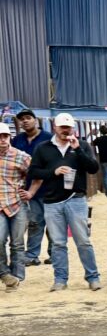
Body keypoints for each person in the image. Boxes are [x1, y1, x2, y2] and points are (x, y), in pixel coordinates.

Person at [27, 113, 102, 292]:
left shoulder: (82, 145)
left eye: (68, 127)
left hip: (76, 199)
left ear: (73, 128)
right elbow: (33, 172)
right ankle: (60, 279)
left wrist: (78, 150)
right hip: (52, 202)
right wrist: (53, 172)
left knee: (83, 241)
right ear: (55, 127)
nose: (65, 131)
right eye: (62, 127)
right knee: (58, 243)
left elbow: (93, 168)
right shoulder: (43, 148)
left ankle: (93, 277)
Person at [11, 108, 52, 266]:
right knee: (35, 222)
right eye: (22, 119)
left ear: (36, 120)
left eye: (28, 117)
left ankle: (54, 253)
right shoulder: (17, 140)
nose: (25, 121)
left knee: (53, 223)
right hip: (29, 189)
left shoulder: (48, 138)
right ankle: (32, 255)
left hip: (51, 187)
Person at [0, 123, 31, 291]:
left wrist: (29, 191)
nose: (2, 139)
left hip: (17, 203)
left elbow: (35, 174)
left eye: (5, 136)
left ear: (9, 137)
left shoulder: (21, 156)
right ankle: (5, 274)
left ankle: (17, 277)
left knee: (17, 242)